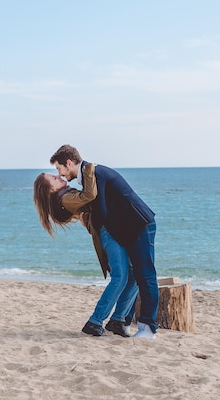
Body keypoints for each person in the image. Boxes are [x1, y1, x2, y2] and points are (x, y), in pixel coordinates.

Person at [50, 145, 159, 339]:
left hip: (140, 224)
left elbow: (102, 211)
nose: (59, 173)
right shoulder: (89, 177)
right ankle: (122, 321)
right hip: (129, 229)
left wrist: (90, 223)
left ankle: (148, 328)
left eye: (59, 169)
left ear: (68, 163)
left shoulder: (95, 173)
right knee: (134, 275)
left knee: (146, 275)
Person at [33, 163, 138, 337]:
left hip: (112, 230)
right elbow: (90, 195)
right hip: (107, 234)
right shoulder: (66, 198)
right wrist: (88, 168)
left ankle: (117, 320)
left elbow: (92, 205)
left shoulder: (67, 195)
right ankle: (95, 322)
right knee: (121, 276)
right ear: (50, 190)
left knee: (134, 275)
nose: (58, 176)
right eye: (54, 178)